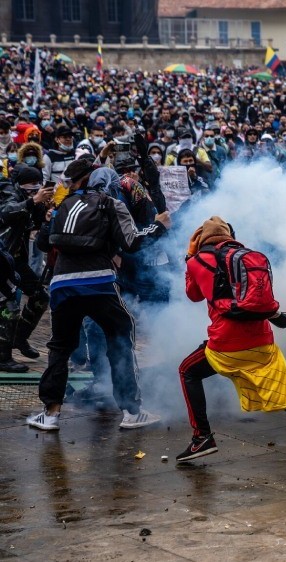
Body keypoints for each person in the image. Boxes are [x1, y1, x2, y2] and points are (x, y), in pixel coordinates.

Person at [177, 217, 286, 473]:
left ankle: (202, 437)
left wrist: (190, 257)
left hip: (223, 347)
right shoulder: (248, 257)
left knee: (188, 371)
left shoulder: (198, 261)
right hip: (261, 345)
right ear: (230, 236)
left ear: (201, 240)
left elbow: (193, 295)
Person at [27, 159, 170, 431]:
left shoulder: (61, 206)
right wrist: (159, 225)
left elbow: (44, 243)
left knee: (59, 347)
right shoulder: (110, 204)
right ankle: (132, 411)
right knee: (120, 338)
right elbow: (132, 243)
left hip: (62, 285)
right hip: (99, 283)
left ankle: (51, 414)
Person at [0, 165, 53, 372]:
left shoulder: (31, 198)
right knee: (9, 306)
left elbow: (36, 226)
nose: (34, 191)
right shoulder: (7, 192)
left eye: (37, 187)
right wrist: (33, 200)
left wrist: (45, 210)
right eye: (30, 188)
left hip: (16, 259)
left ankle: (19, 339)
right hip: (2, 260)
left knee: (40, 297)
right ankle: (3, 357)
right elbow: (6, 213)